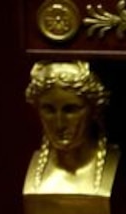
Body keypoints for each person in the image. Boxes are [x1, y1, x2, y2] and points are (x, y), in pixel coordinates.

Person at [23, 60, 118, 196]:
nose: (60, 124)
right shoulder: (36, 173)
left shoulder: (111, 163)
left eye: (71, 110)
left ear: (94, 110)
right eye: (49, 109)